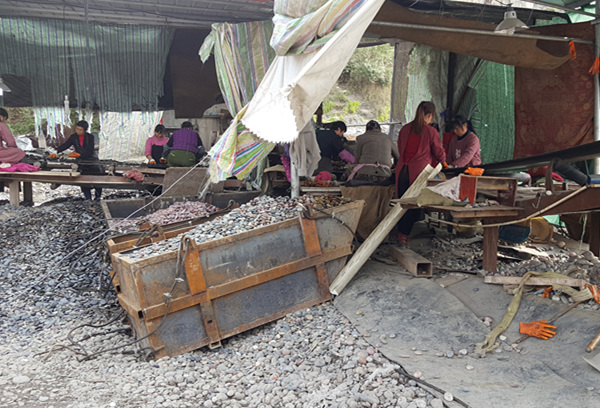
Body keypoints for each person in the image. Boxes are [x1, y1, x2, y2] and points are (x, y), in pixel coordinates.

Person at [396, 101, 446, 246]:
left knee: (402, 204)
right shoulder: (430, 131)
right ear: (430, 115)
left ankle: (399, 233)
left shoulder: (405, 129)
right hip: (418, 173)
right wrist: (444, 162)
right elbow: (439, 152)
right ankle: (404, 236)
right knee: (413, 205)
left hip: (402, 171)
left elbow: (400, 148)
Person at [53, 120, 103, 201]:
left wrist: (79, 154)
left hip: (92, 160)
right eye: (77, 129)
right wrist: (56, 151)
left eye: (80, 130)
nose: (78, 131)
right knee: (83, 180)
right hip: (81, 161)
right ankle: (88, 198)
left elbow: (90, 150)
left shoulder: (90, 137)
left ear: (85, 130)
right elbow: (66, 145)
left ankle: (97, 197)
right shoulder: (74, 137)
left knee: (97, 178)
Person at [349, 120, 399, 184]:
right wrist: (393, 167)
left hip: (364, 175)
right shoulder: (387, 138)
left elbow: (357, 159)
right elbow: (398, 157)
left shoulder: (360, 138)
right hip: (384, 175)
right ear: (380, 129)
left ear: (366, 130)